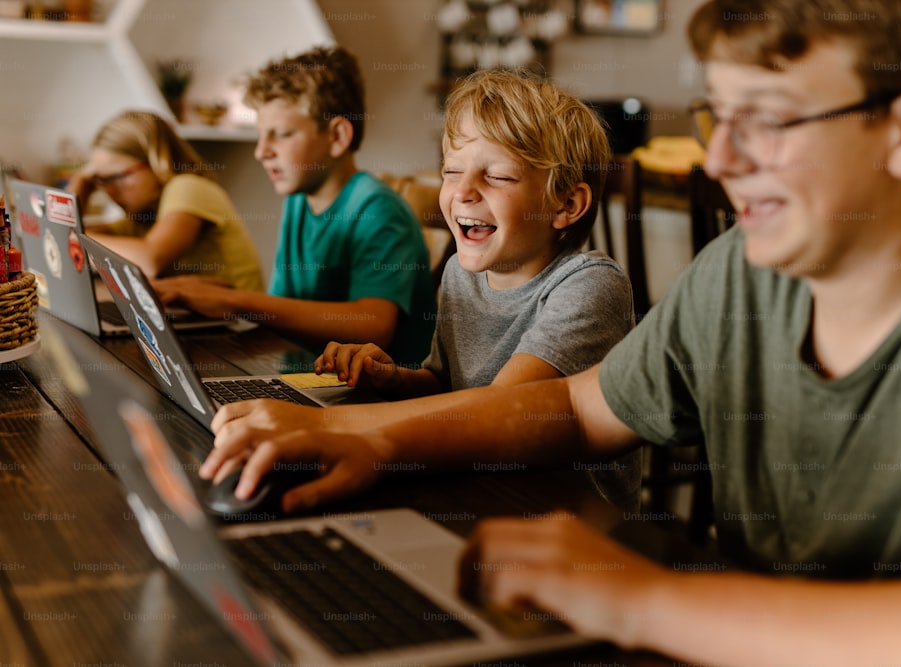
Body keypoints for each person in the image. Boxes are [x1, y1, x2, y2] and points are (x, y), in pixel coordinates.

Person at [200, 0, 901, 663]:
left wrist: (645, 595)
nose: (719, 158)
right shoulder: (738, 274)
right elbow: (579, 408)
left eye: (766, 119)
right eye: (718, 115)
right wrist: (368, 435)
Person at [205, 68, 639, 507]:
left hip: (566, 516)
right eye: (452, 171)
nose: (463, 192)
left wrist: (321, 424)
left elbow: (498, 410)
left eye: (499, 176)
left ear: (566, 205)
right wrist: (394, 378)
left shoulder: (587, 285)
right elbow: (446, 384)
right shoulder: (460, 274)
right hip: (474, 483)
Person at [154, 46, 437, 366]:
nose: (261, 152)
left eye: (282, 135)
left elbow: (373, 326)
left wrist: (239, 301)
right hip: (307, 376)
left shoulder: (377, 209)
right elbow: (284, 307)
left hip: (374, 398)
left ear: (337, 137)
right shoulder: (298, 201)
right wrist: (203, 290)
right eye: (261, 136)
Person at [68, 110, 264, 292]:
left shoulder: (189, 186)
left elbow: (150, 261)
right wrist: (81, 183)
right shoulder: (144, 214)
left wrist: (72, 237)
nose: (110, 191)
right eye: (101, 181)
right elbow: (77, 234)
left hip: (243, 325)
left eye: (117, 177)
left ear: (156, 160)